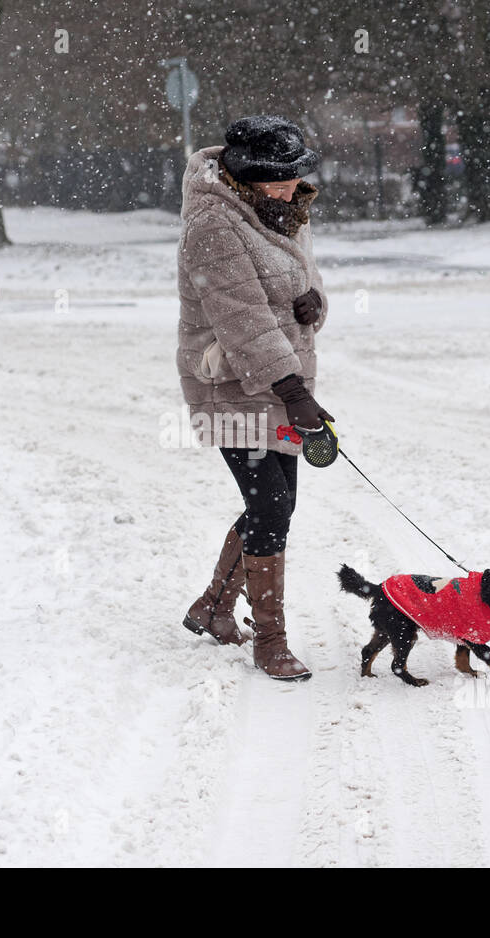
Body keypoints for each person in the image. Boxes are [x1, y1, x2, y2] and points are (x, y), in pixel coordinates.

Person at [177, 115, 333, 681]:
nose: (293, 188)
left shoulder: (282, 211)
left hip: (282, 383)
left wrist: (316, 301)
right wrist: (293, 392)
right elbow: (241, 321)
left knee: (278, 504)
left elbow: (299, 281)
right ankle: (270, 639)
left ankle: (213, 607)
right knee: (270, 506)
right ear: (247, 175)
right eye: (280, 179)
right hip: (233, 386)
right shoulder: (214, 225)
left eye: (297, 177)